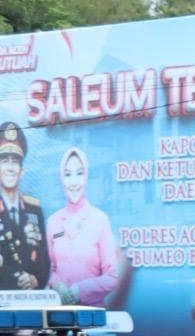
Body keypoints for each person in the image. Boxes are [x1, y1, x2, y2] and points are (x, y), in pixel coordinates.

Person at [46, 147, 120, 306]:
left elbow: (112, 278)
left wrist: (81, 290)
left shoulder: (100, 220)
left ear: (86, 177)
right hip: (59, 315)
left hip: (92, 317)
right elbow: (47, 269)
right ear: (61, 179)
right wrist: (57, 285)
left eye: (79, 173)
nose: (73, 182)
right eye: (68, 174)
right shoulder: (53, 221)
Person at [0, 122, 49, 293]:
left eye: (15, 162)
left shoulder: (33, 208)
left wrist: (36, 279)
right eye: (5, 161)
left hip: (30, 304)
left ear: (22, 170)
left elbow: (44, 257)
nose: (10, 168)